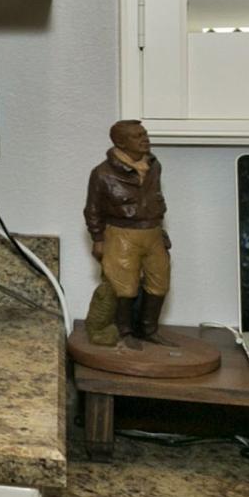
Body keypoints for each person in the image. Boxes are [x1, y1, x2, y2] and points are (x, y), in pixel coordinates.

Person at [83, 118, 171, 346]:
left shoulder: (154, 166)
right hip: (121, 234)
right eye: (137, 136)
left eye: (145, 134)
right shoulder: (102, 173)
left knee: (159, 282)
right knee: (124, 286)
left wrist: (160, 230)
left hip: (152, 232)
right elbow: (92, 209)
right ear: (120, 143)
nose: (145, 140)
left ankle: (149, 329)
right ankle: (125, 331)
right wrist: (98, 239)